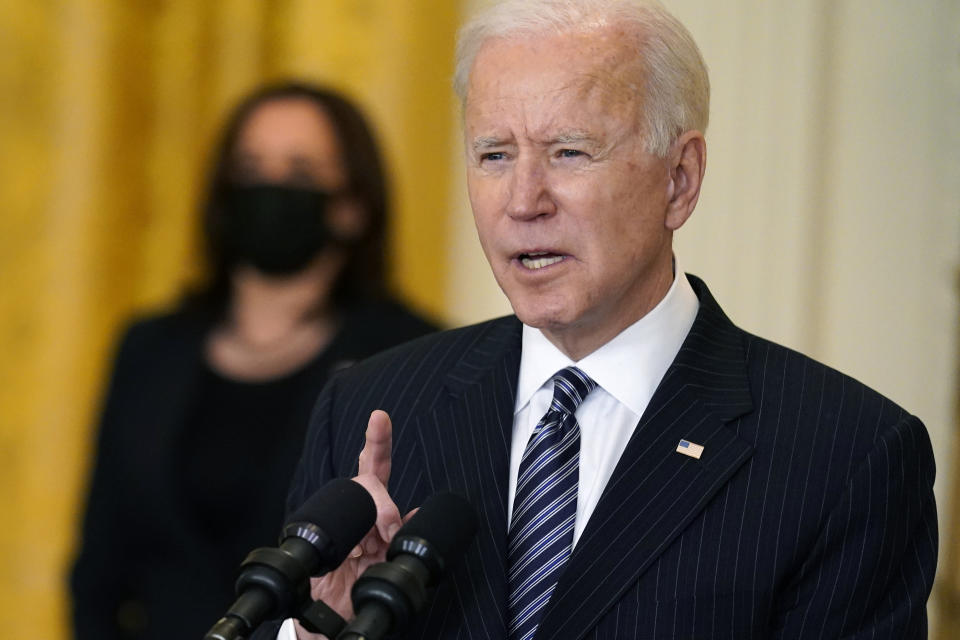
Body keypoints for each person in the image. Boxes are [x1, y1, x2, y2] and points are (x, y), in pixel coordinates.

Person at [261, 2, 939, 639]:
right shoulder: (370, 410)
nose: (523, 200)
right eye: (494, 154)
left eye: (569, 152)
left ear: (680, 180)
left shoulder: (847, 456)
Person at [70, 82, 438, 640]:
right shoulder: (150, 348)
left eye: (299, 174)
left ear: (352, 206)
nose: (269, 189)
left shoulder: (409, 354)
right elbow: (99, 566)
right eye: (249, 168)